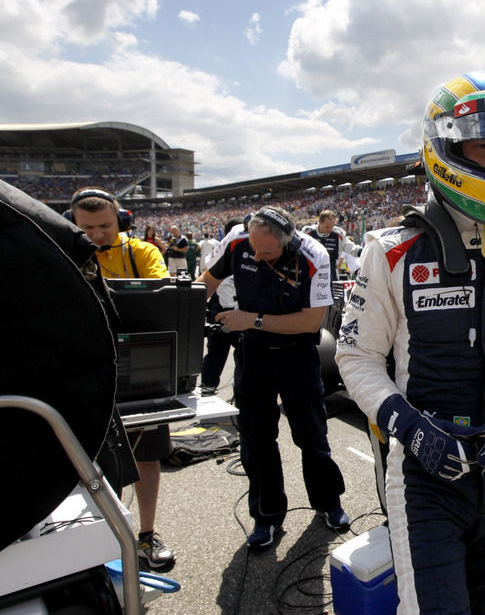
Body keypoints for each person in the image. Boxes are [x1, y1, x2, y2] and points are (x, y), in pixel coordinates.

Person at [335, 71, 485, 614]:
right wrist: (409, 428)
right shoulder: (392, 249)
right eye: (484, 145)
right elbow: (355, 355)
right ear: (446, 147)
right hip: (427, 477)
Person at [197, 206, 349, 548]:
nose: (259, 255)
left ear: (289, 243)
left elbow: (312, 322)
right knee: (256, 439)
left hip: (298, 355)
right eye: (255, 249)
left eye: (267, 252)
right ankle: (265, 517)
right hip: (253, 355)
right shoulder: (238, 242)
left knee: (312, 437)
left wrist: (251, 318)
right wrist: (185, 312)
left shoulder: (315, 254)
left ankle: (328, 503)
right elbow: (205, 283)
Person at [67, 187, 175, 569]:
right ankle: (100, 538)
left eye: (105, 226)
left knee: (146, 456)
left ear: (121, 221)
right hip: (88, 370)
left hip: (140, 370)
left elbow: (161, 301)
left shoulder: (142, 253)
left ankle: (146, 535)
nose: (97, 235)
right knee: (89, 462)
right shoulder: (62, 252)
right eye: (87, 228)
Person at [199, 219, 243, 396]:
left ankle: (241, 390)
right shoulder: (219, 255)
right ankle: (208, 387)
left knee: (244, 355)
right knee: (216, 352)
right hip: (220, 311)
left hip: (243, 312)